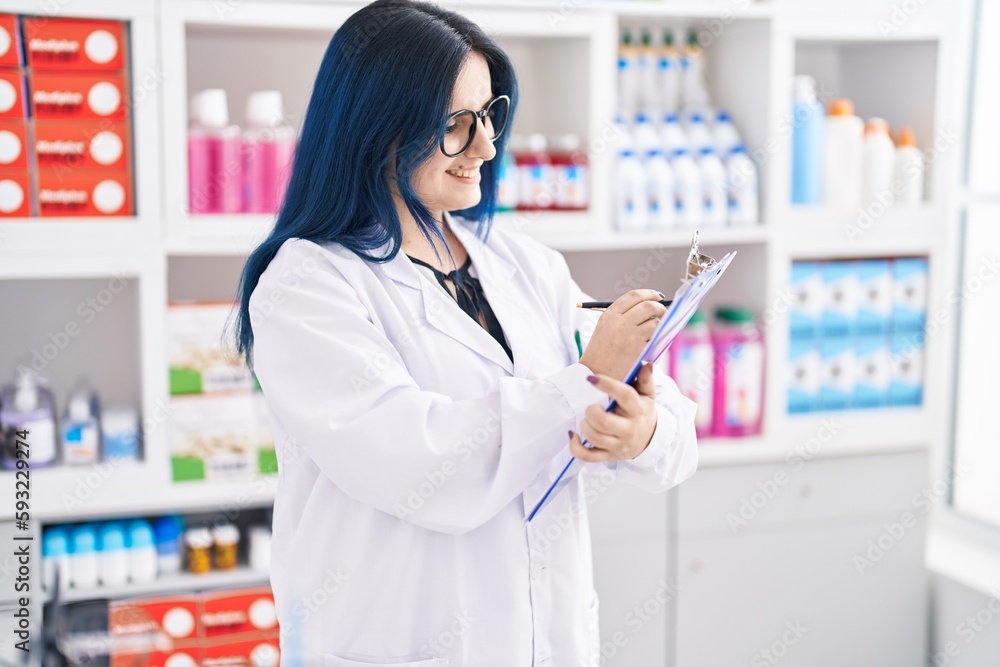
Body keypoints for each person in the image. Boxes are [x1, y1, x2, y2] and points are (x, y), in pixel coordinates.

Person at [233, 1, 697, 664]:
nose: (484, 146)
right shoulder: (308, 286)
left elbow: (673, 432)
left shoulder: (526, 265)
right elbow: (423, 462)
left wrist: (639, 426)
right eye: (455, 124)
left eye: (489, 116)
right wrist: (579, 386)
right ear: (377, 126)